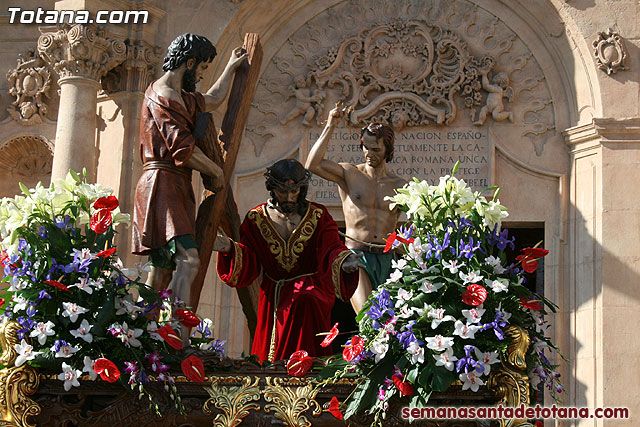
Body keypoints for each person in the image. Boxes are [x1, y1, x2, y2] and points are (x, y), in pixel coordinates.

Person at [131, 33, 247, 316]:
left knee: (160, 271)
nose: (202, 76)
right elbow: (184, 148)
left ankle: (141, 331)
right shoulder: (162, 98)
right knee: (189, 260)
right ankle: (177, 331)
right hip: (161, 185)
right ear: (190, 63)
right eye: (203, 68)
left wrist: (230, 67)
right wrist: (215, 170)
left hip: (175, 185)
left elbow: (213, 100)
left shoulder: (181, 97)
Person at [213, 159, 364, 361]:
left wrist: (344, 262)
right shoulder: (256, 218)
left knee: (305, 297)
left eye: (295, 191)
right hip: (274, 296)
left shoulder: (318, 215)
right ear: (272, 188)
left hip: (312, 292)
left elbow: (331, 249)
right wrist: (229, 249)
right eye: (282, 192)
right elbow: (250, 258)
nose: (289, 197)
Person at [305, 107, 406, 313]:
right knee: (369, 317)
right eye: (365, 147)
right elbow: (312, 164)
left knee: (391, 323)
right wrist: (331, 124)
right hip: (356, 256)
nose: (369, 154)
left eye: (375, 149)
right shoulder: (349, 174)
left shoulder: (401, 185)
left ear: (388, 149)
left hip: (388, 259)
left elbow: (419, 221)